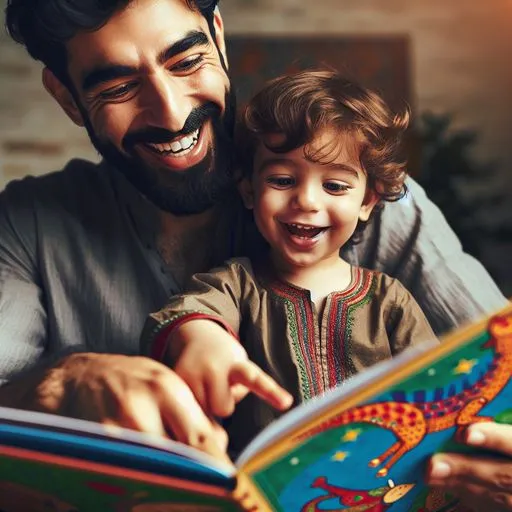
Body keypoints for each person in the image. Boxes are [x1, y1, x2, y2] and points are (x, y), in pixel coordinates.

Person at [1, 0, 511, 509]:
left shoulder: (379, 209)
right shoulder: (26, 225)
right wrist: (63, 385)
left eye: (186, 62)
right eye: (118, 88)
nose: (174, 114)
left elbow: (497, 367)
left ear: (217, 36)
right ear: (67, 97)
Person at [141, 69, 439, 454]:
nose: (307, 201)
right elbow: (190, 313)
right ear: (249, 190)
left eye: (334, 186)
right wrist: (201, 340)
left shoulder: (389, 301)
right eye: (282, 180)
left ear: (367, 202)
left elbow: (436, 385)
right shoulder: (236, 284)